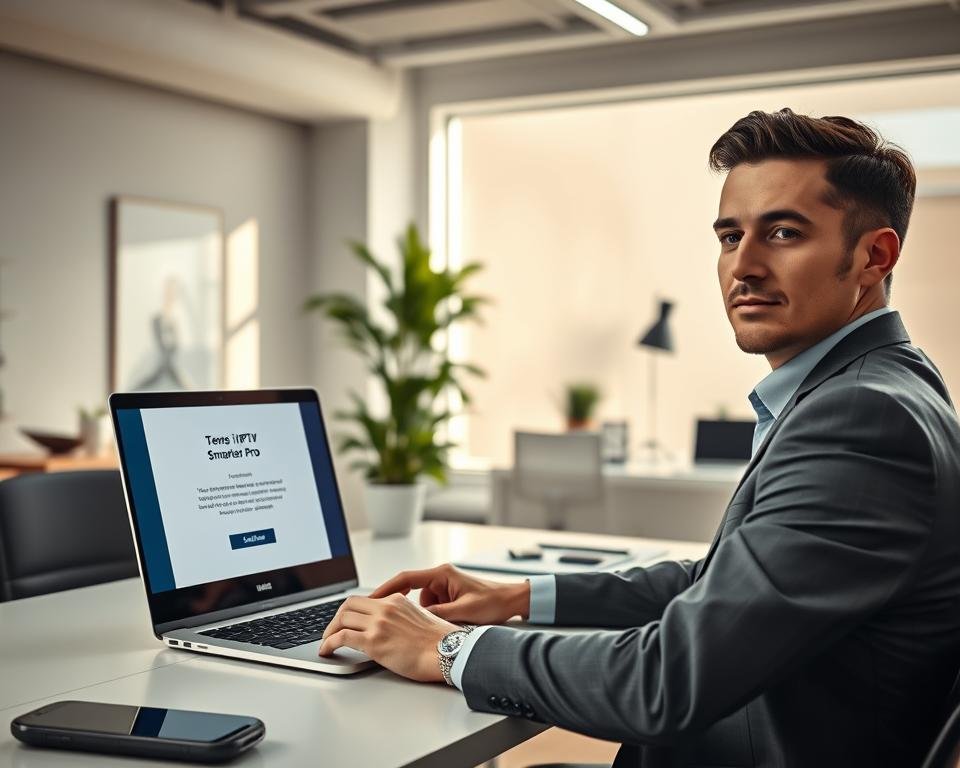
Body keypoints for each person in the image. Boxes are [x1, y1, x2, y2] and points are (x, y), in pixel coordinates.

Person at [319, 109, 960, 767]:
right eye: (730, 236)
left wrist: (446, 649)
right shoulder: (882, 384)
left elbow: (667, 682)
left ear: (873, 256)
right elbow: (723, 581)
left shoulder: (859, 417)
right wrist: (520, 597)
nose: (744, 266)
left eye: (784, 233)